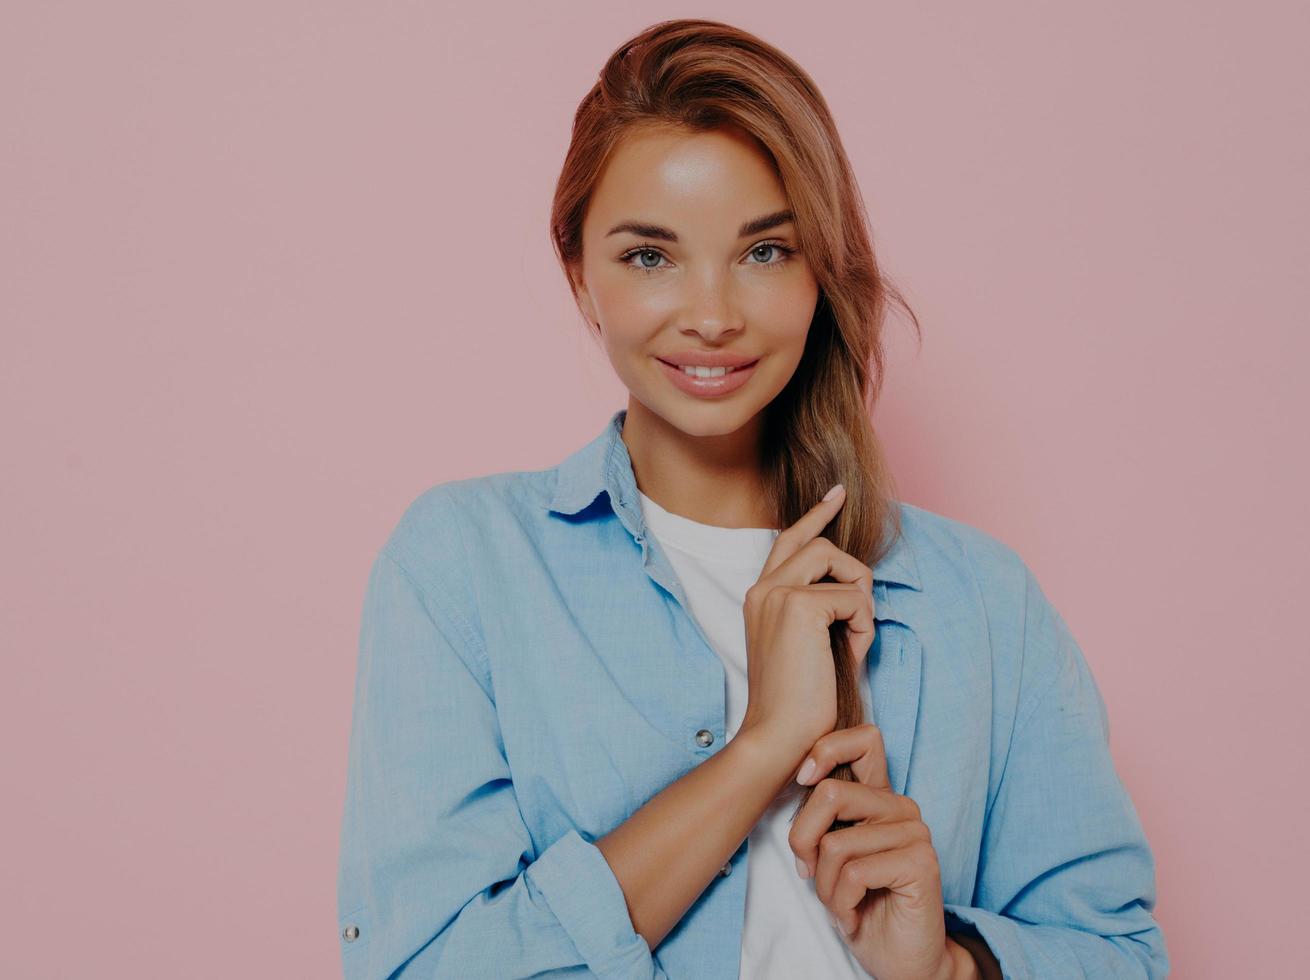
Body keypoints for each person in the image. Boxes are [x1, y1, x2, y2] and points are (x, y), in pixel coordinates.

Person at [336, 18, 1167, 980]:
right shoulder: (465, 568)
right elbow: (424, 965)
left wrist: (945, 968)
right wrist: (761, 747)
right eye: (651, 256)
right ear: (581, 277)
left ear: (822, 268)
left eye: (765, 251)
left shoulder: (983, 605)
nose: (713, 314)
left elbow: (1121, 958)